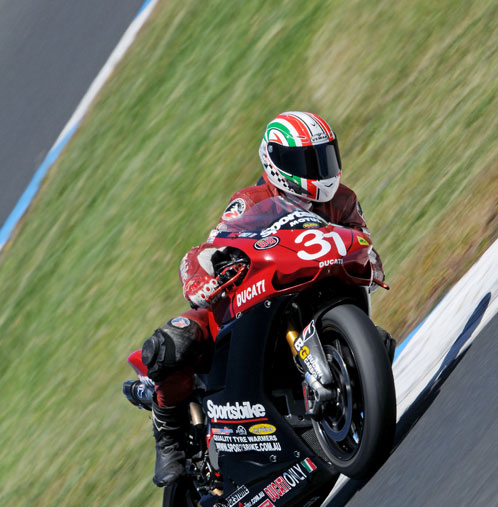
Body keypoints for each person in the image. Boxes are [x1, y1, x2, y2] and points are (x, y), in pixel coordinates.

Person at [123, 111, 395, 487]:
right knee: (174, 341)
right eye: (305, 162)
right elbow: (209, 248)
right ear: (275, 161)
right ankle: (169, 437)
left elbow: (359, 238)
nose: (317, 169)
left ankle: (338, 399)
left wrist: (370, 259)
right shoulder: (249, 201)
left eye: (323, 158)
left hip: (316, 288)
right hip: (246, 303)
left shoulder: (343, 200)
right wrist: (207, 277)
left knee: (378, 345)